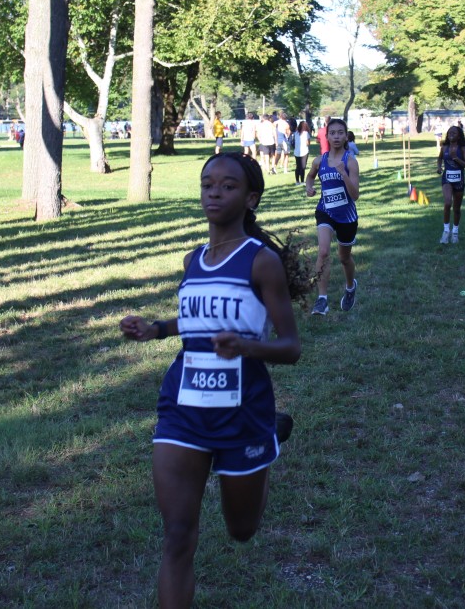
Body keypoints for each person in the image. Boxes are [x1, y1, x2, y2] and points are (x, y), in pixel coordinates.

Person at [120, 152, 308, 609]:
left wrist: (246, 347)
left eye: (227, 186)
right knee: (177, 535)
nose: (214, 193)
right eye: (208, 185)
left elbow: (291, 347)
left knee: (241, 530)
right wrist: (156, 329)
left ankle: (268, 436)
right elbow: (195, 320)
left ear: (250, 198)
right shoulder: (192, 260)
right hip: (183, 409)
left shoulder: (261, 263)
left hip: (242, 412)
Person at [305, 118, 360, 315]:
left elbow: (355, 195)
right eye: (332, 133)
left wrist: (343, 174)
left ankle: (350, 286)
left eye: (340, 133)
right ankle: (322, 299)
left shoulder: (351, 162)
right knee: (323, 252)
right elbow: (310, 176)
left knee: (344, 258)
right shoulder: (319, 161)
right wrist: (309, 187)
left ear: (346, 136)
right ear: (326, 136)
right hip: (325, 211)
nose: (336, 136)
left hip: (346, 216)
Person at [436, 124, 465, 244]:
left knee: (456, 209)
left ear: (459, 136)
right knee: (447, 203)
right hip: (447, 179)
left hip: (459, 180)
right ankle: (446, 232)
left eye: (454, 133)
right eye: (449, 133)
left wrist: (456, 158)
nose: (451, 134)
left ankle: (455, 232)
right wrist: (439, 167)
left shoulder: (463, 149)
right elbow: (439, 158)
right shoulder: (444, 147)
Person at [294, 121, 310, 185]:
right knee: (303, 167)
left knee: (298, 167)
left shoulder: (296, 133)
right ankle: (302, 181)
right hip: (304, 151)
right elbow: (308, 143)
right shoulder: (306, 133)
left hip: (297, 152)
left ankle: (297, 181)